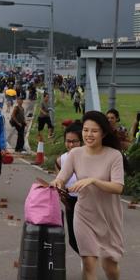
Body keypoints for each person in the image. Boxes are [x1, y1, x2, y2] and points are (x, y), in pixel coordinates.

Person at [51, 111, 124, 280]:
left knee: (109, 264)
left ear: (104, 133)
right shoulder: (75, 154)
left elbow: (118, 187)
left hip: (108, 217)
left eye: (94, 131)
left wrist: (93, 181)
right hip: (84, 215)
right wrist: (57, 183)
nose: (88, 135)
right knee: (89, 262)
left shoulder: (114, 156)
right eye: (85, 130)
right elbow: (62, 177)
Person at [54, 121, 82, 255]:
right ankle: (87, 259)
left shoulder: (91, 158)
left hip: (89, 201)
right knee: (73, 239)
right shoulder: (61, 160)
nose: (71, 145)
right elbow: (59, 182)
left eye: (74, 141)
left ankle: (89, 261)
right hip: (71, 201)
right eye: (68, 141)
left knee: (90, 237)